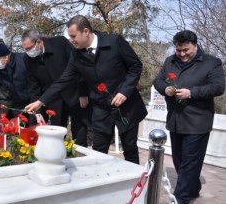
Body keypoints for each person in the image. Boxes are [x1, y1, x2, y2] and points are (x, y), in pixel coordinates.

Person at [25, 15, 147, 164]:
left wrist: (125, 91)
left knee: (130, 149)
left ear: (86, 31)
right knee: (98, 152)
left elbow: (135, 66)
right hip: (101, 108)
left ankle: (134, 185)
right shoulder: (76, 54)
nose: (70, 40)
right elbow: (64, 80)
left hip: (126, 106)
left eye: (73, 36)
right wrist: (40, 101)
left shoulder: (114, 42)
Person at [153, 30, 225, 204]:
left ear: (195, 45)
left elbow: (218, 87)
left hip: (198, 121)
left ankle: (181, 198)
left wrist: (191, 93)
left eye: (186, 50)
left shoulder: (211, 63)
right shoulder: (170, 61)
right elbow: (158, 81)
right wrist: (166, 89)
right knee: (179, 161)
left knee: (189, 163)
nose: (182, 54)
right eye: (179, 50)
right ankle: (193, 187)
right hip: (176, 120)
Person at [21, 29, 92, 146]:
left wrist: (83, 92)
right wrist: (37, 111)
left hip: (75, 95)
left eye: (29, 48)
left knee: (79, 132)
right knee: (56, 136)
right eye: (25, 49)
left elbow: (79, 67)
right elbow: (33, 86)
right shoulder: (28, 59)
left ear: (38, 42)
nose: (27, 51)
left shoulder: (60, 43)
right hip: (52, 100)